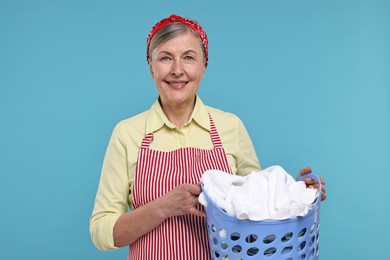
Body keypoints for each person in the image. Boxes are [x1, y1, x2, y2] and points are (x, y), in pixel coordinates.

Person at [89, 14, 326, 259]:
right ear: (151, 66)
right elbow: (102, 232)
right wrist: (165, 207)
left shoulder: (230, 127)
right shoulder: (127, 134)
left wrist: (292, 195)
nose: (177, 70)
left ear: (204, 65)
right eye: (165, 58)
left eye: (189, 58)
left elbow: (257, 220)